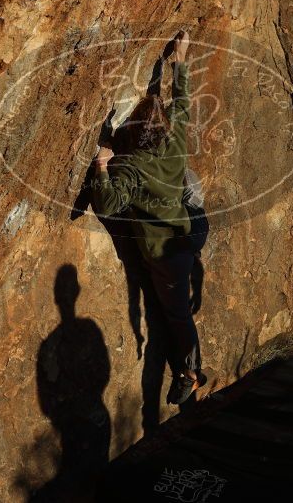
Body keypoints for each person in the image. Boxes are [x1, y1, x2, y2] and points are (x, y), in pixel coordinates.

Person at [91, 30, 208, 405]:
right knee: (188, 182)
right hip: (190, 227)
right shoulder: (174, 143)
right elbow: (181, 102)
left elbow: (107, 204)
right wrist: (180, 58)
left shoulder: (133, 168)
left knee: (176, 316)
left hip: (166, 254)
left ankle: (189, 372)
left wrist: (103, 167)